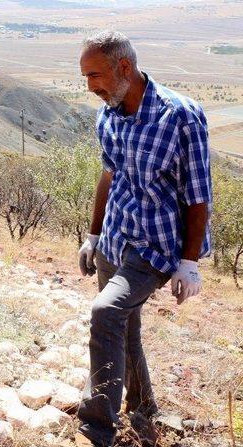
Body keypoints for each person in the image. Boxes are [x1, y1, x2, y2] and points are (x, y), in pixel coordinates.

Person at [75, 31, 212, 447]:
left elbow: (198, 194)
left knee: (106, 312)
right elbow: (109, 175)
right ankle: (143, 407)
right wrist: (94, 233)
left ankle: (95, 427)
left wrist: (189, 262)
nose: (90, 87)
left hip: (155, 245)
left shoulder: (181, 116)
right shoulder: (109, 115)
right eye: (85, 77)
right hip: (116, 236)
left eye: (95, 75)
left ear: (124, 68)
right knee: (124, 325)